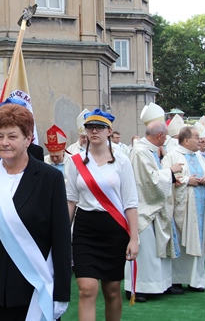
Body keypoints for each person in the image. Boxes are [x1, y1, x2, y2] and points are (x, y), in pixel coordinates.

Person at [0, 103, 71, 320]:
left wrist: (62, 291)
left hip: (34, 292)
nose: (4, 143)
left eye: (12, 136)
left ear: (28, 139)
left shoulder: (50, 178)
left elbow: (61, 239)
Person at [65, 108, 139, 321]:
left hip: (114, 229)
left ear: (109, 131)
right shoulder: (75, 161)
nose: (94, 131)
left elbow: (130, 202)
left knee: (112, 290)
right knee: (86, 289)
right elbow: (71, 200)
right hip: (85, 228)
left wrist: (134, 239)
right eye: (90, 127)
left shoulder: (122, 161)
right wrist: (63, 234)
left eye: (99, 127)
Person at [123, 120, 184, 302]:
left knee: (156, 251)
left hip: (155, 207)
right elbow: (150, 181)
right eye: (165, 136)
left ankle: (160, 284)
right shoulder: (140, 151)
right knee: (146, 252)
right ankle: (137, 288)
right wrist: (171, 171)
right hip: (144, 208)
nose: (166, 140)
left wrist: (170, 178)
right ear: (159, 135)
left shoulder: (149, 150)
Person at [161, 126, 205, 292]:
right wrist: (187, 181)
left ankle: (196, 280)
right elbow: (165, 178)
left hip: (200, 207)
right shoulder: (173, 156)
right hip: (182, 208)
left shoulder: (200, 156)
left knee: (198, 243)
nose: (200, 141)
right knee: (181, 243)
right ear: (186, 140)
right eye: (196, 137)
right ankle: (176, 279)